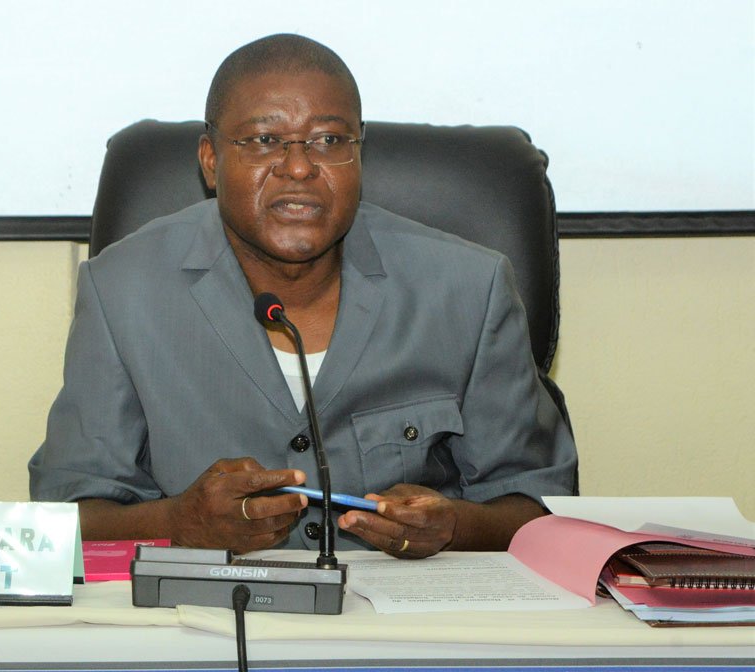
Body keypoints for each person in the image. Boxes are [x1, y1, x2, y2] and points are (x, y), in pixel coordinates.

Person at [29, 33, 577, 559]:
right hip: (205, 613)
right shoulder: (122, 289)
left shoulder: (469, 288)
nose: (298, 167)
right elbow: (66, 517)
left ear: (359, 154)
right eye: (264, 140)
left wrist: (453, 526)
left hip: (406, 615)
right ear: (211, 160)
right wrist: (177, 524)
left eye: (330, 141)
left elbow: (542, 506)